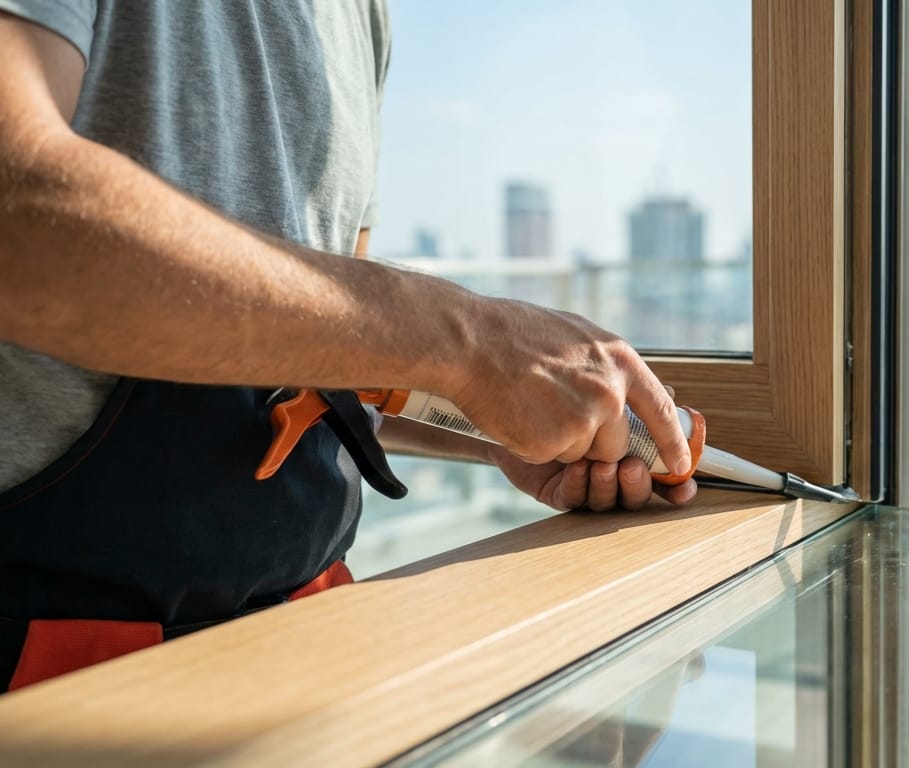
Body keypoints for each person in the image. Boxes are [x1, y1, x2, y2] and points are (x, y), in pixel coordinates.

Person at [0, 1, 697, 691]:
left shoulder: (360, 12)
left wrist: (489, 419)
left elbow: (339, 360)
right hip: (56, 669)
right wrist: (465, 341)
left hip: (320, 632)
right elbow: (17, 218)